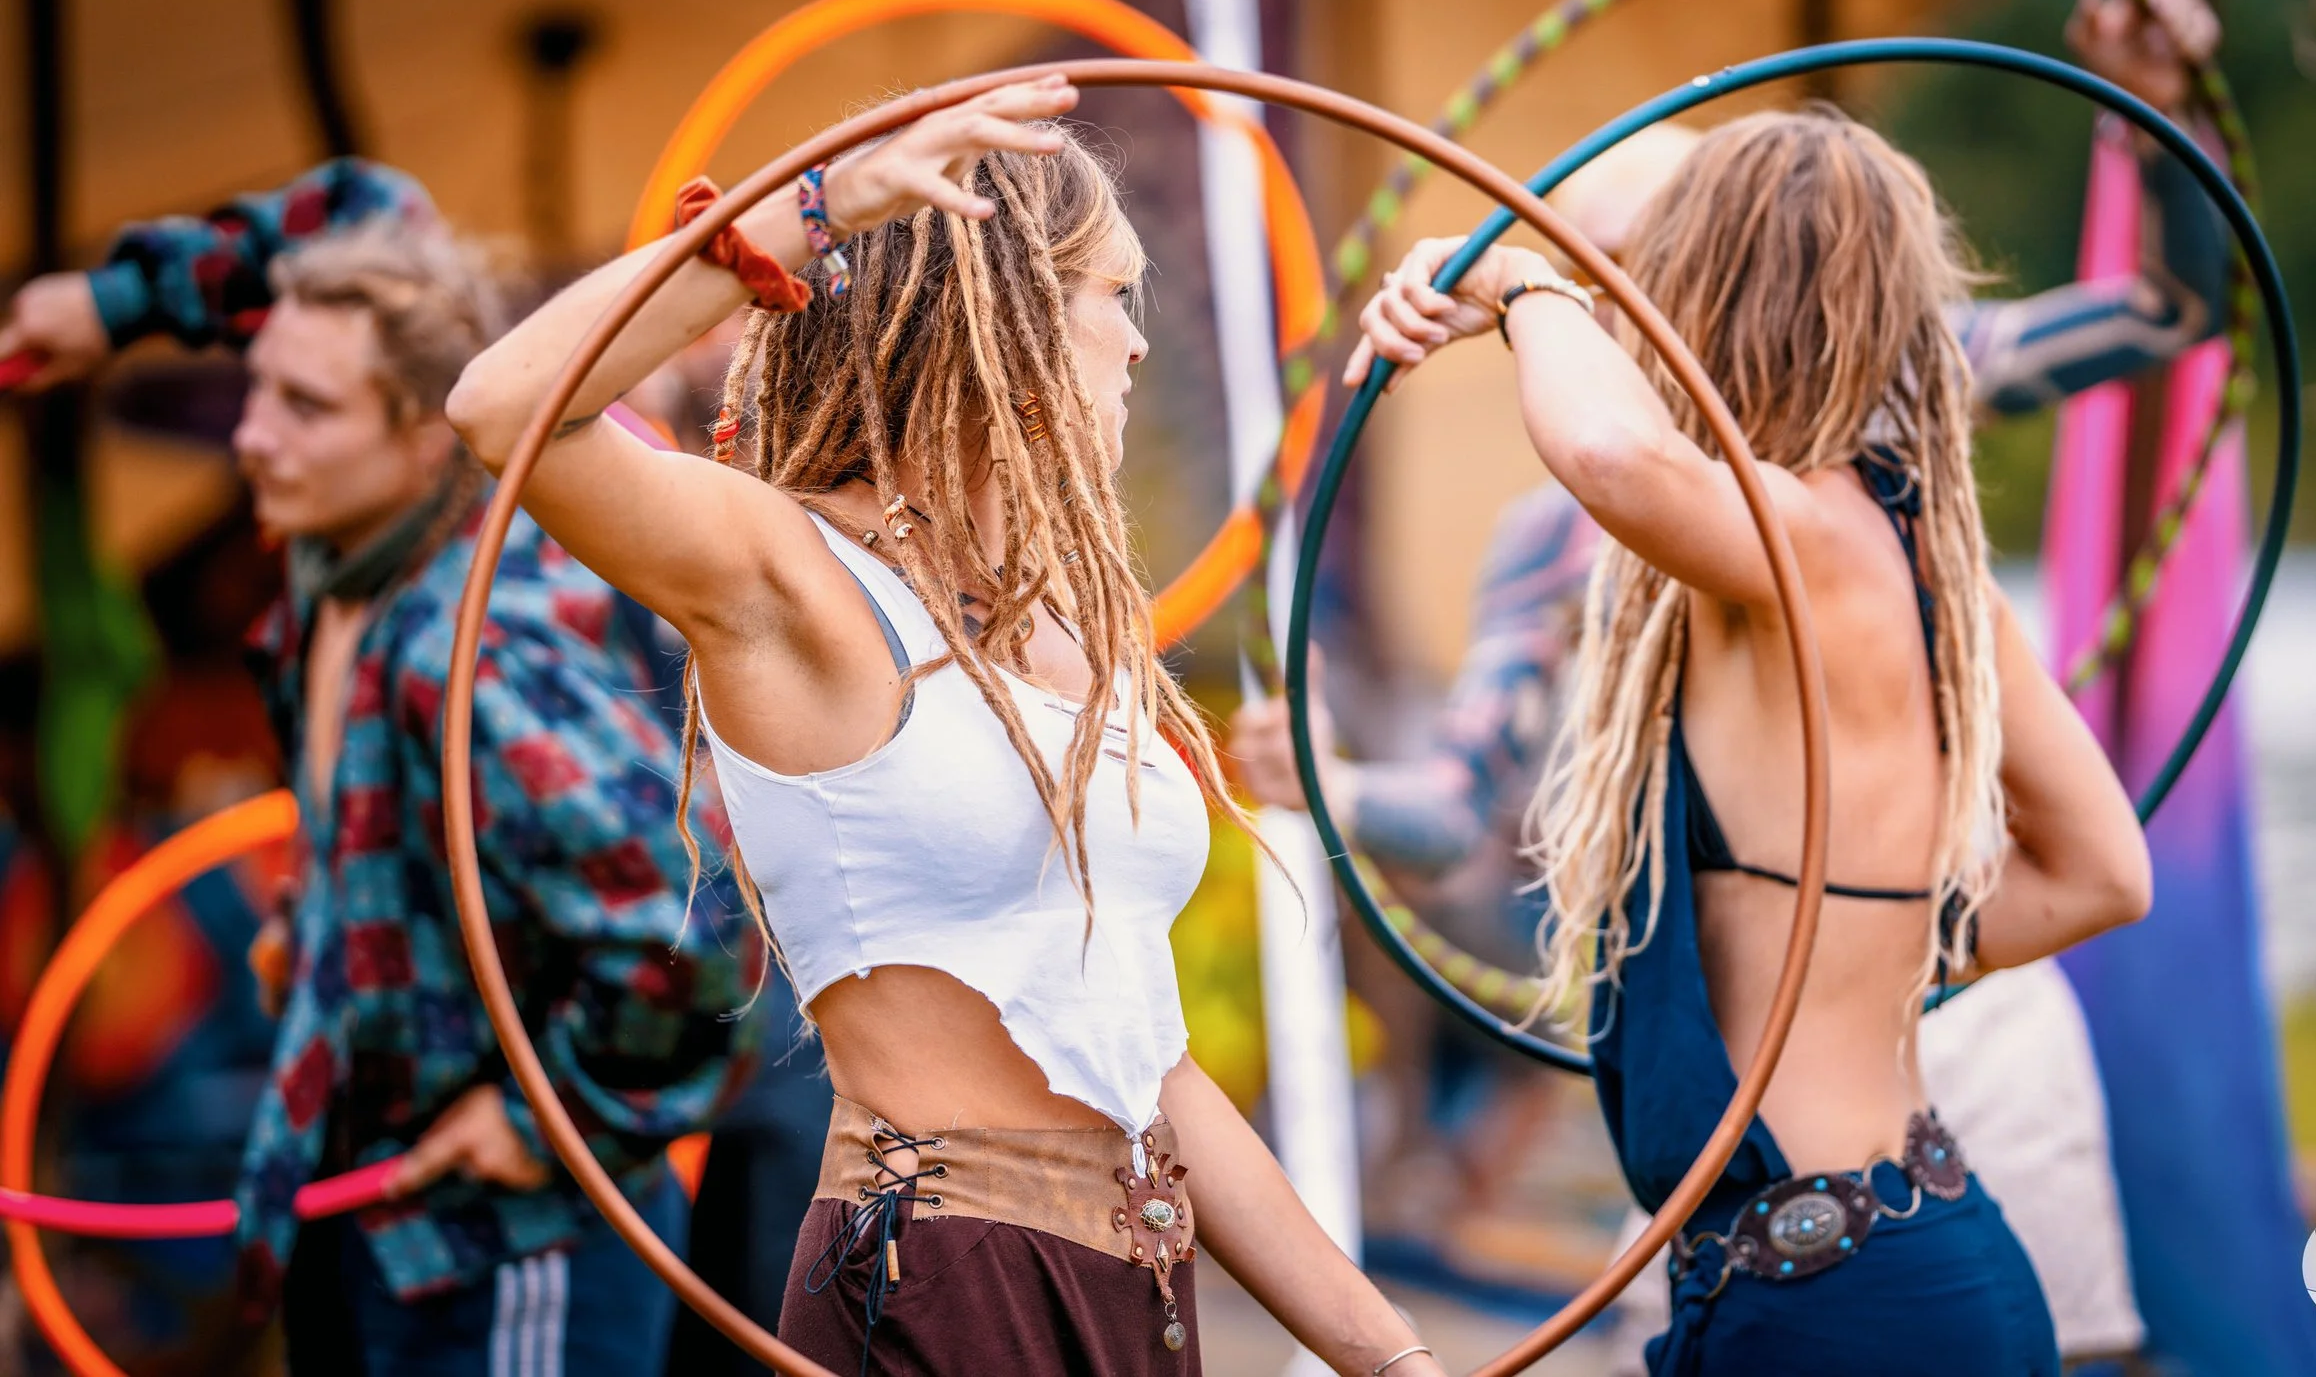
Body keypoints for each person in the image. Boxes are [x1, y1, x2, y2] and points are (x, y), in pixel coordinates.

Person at [1232, 0, 2219, 1364]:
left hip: (1838, 1281)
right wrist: (1858, 936)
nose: (1607, 299)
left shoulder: (1787, 526)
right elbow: (2106, 868)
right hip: (1895, 1237)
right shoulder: (1921, 549)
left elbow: (1623, 454)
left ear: (1710, 292)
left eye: (1636, 264)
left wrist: (1521, 275)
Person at [446, 79, 1446, 1376]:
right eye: (1111, 297)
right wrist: (808, 215)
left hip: (1134, 1283)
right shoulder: (792, 576)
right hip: (940, 1275)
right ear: (1008, 317)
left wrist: (1390, 1355)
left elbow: (1151, 1067)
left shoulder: (1073, 634)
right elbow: (503, 411)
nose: (1138, 344)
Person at [3, 179, 763, 1373]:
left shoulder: (477, 646)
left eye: (306, 407)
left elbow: (692, 925)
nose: (253, 436)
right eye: (261, 389)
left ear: (425, 433)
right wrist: (114, 302)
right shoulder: (338, 554)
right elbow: (356, 208)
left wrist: (543, 1118)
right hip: (373, 1212)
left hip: (513, 1249)